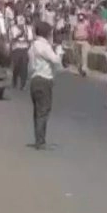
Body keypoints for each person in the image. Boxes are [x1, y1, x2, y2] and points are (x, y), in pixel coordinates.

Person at [27, 21, 63, 150]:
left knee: (37, 112)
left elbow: (30, 66)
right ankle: (40, 141)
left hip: (34, 79)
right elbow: (56, 60)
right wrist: (59, 50)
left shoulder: (32, 46)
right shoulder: (43, 46)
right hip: (44, 79)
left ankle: (38, 138)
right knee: (43, 111)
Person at [10, 15, 32, 88]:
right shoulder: (13, 28)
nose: (21, 25)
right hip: (16, 49)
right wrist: (20, 34)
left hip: (25, 49)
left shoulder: (28, 28)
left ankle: (23, 84)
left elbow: (30, 39)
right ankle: (14, 80)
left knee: (24, 67)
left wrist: (26, 35)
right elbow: (12, 39)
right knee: (16, 66)